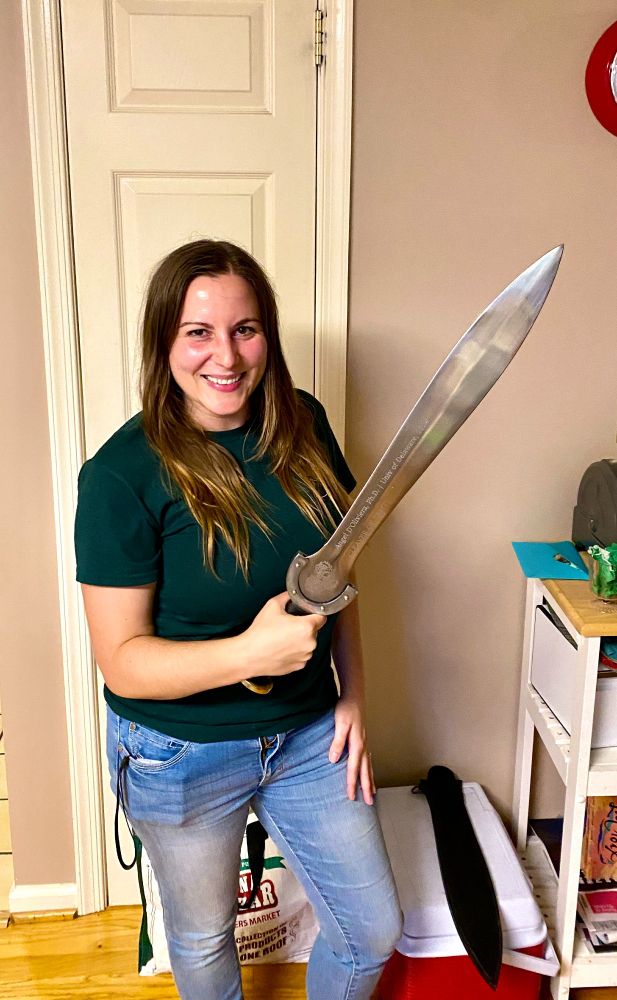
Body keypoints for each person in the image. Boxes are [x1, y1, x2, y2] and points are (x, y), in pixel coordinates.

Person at [74, 239, 402, 1000]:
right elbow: (122, 661)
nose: (225, 354)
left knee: (370, 929)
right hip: (176, 751)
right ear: (164, 342)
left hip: (306, 731)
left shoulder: (304, 425)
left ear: (269, 337)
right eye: (198, 332)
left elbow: (338, 569)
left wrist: (353, 694)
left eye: (246, 328)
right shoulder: (121, 475)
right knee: (201, 937)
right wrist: (250, 651)